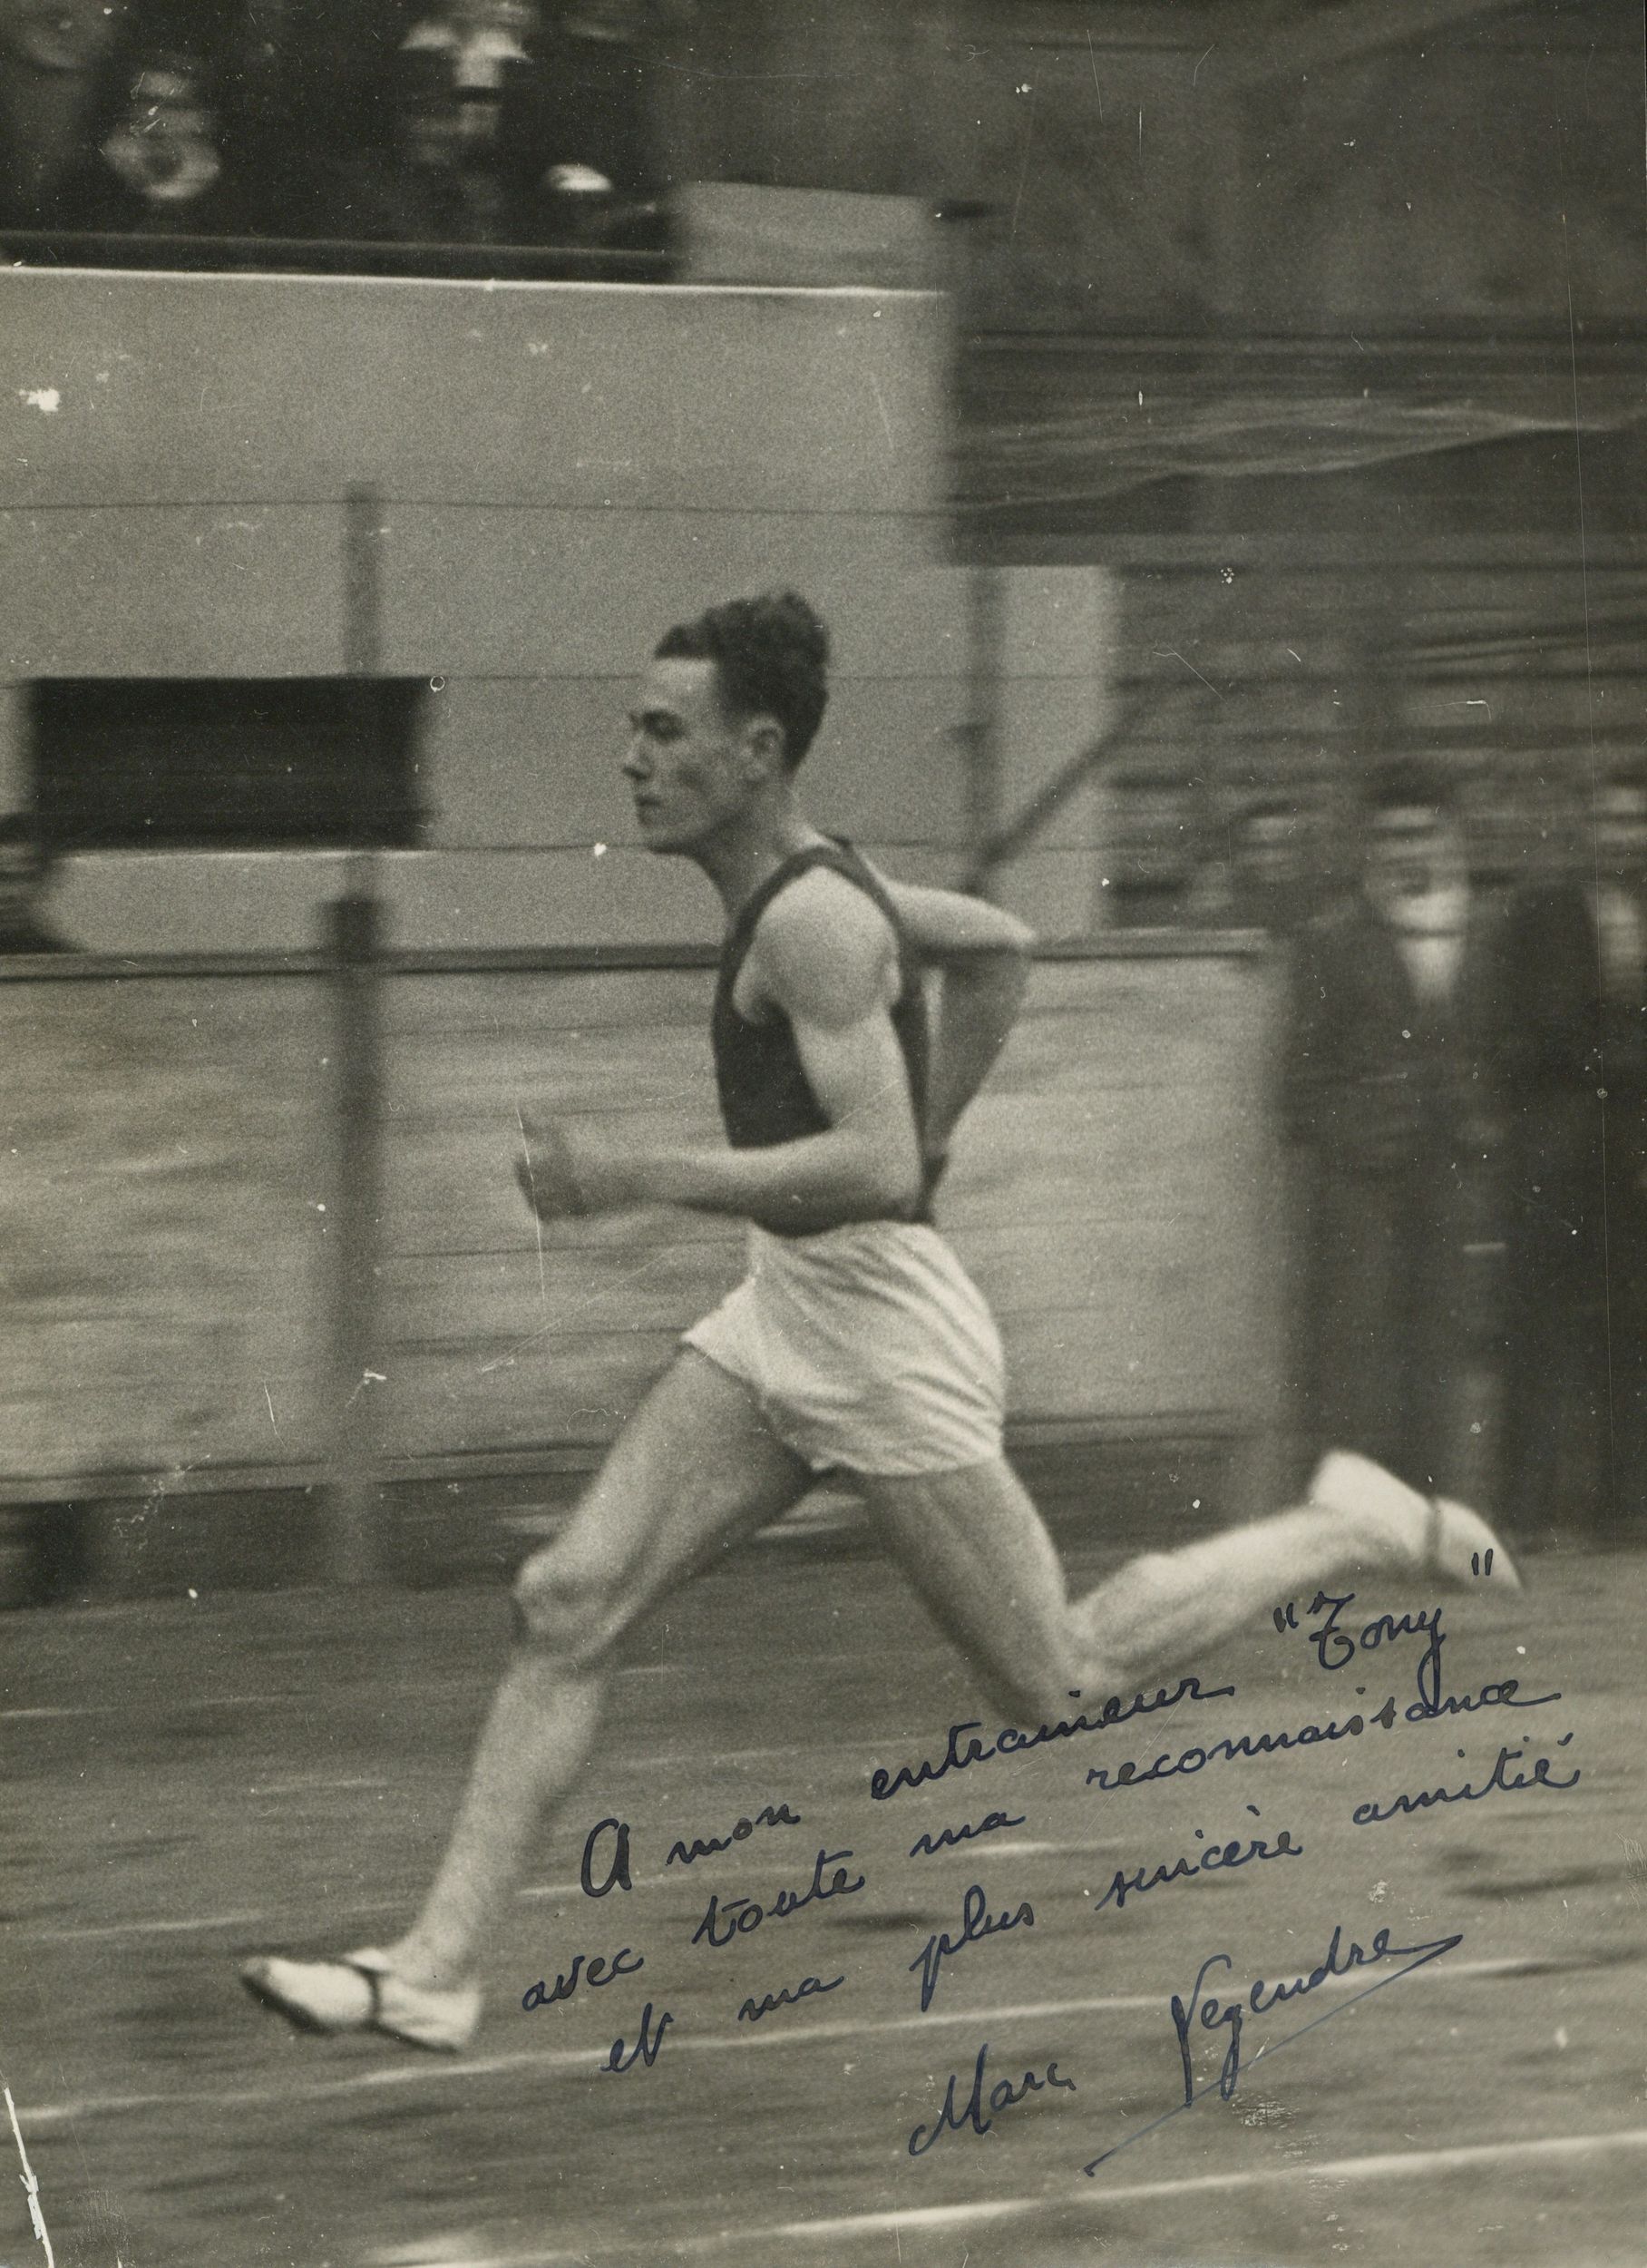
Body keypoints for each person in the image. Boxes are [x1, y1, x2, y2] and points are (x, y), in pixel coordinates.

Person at [241, 594, 1519, 2052]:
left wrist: (635, 1176)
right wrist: (933, 1141)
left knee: (1061, 1678)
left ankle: (1343, 1527)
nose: (631, 760)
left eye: (664, 732)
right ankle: (434, 1968)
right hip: (794, 1309)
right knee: (565, 1601)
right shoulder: (816, 889)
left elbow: (871, 1163)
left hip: (888, 1342)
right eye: (633, 729)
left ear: (757, 748)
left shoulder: (820, 922)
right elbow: (1008, 948)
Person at [1282, 759, 1505, 1502]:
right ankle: (1353, 1515)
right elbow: (1298, 1082)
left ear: (1448, 836)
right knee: (1356, 1347)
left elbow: (1498, 1047)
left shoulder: (1480, 924)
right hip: (1365, 1178)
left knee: (1442, 1339)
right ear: (1370, 844)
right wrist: (1359, 1135)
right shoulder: (1332, 938)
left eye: (1421, 832)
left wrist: (1479, 1121)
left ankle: (1433, 1509)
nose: (1406, 848)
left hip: (1453, 1167)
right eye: (1390, 834)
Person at [1496, 762, 1647, 1541]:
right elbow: (1542, 1031)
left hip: (1631, 1154)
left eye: (1635, 822)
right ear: (1586, 825)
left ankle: (1624, 1510)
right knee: (1538, 1326)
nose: (1622, 835)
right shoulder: (1543, 910)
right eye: (1611, 819)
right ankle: (1523, 1513)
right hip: (1555, 1150)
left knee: (1631, 1328)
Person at [0, 813, 73, 954]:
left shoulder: (68, 964)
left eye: (24, 877)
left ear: (44, 879)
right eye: (2, 878)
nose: (10, 894)